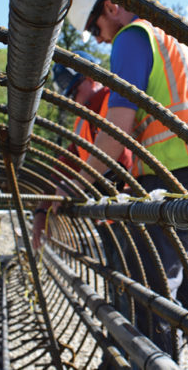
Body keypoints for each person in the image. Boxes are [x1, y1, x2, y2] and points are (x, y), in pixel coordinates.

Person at [63, 0, 188, 369]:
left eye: (95, 28)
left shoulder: (133, 37)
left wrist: (73, 186)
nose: (100, 39)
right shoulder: (175, 41)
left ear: (112, 7)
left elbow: (117, 131)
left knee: (150, 299)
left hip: (169, 180)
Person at [31, 50, 132, 250]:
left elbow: (121, 162)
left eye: (75, 91)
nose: (74, 101)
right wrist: (42, 211)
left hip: (130, 210)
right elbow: (63, 166)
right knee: (118, 276)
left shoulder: (114, 102)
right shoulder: (82, 122)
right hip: (108, 214)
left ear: (90, 78)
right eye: (70, 95)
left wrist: (79, 186)